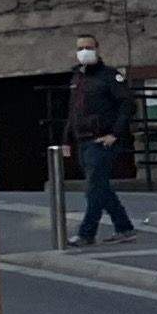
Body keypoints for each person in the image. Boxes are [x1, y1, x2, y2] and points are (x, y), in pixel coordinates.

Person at [63, 38, 137, 244]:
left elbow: (127, 105)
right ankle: (124, 227)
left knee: (94, 187)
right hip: (83, 140)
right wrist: (67, 139)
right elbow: (74, 111)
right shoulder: (78, 77)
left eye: (88, 48)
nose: (84, 52)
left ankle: (87, 233)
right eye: (80, 48)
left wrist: (114, 134)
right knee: (100, 186)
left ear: (97, 49)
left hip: (102, 140)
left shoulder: (109, 76)